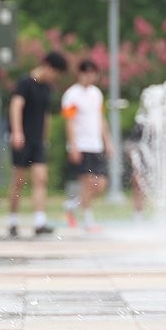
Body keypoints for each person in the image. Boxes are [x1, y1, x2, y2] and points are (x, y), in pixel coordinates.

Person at [8, 51, 68, 237]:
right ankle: (13, 220)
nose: (55, 77)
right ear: (48, 67)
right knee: (18, 181)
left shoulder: (47, 88)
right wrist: (17, 132)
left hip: (37, 140)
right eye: (55, 73)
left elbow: (46, 114)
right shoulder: (25, 83)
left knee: (41, 179)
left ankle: (39, 221)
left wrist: (45, 137)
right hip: (22, 138)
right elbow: (15, 106)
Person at [61, 59, 111, 231]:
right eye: (86, 72)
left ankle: (72, 205)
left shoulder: (97, 94)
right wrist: (73, 145)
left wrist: (107, 141)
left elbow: (101, 118)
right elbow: (69, 121)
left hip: (96, 144)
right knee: (88, 183)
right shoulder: (72, 95)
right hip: (81, 144)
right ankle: (89, 221)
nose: (89, 76)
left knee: (101, 185)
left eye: (92, 73)